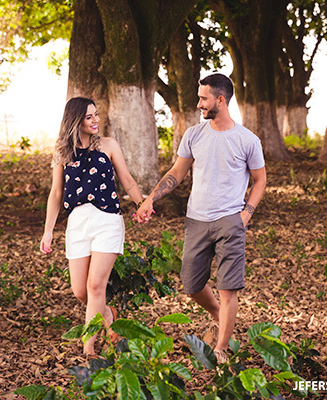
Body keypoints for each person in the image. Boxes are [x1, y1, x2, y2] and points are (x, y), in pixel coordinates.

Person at [134, 73, 267, 363]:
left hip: (230, 220)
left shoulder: (247, 140)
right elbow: (176, 174)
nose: (199, 104)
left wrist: (246, 214)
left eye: (203, 98)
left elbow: (260, 180)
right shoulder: (194, 135)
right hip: (197, 219)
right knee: (191, 284)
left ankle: (220, 349)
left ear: (220, 99)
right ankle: (218, 314)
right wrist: (150, 199)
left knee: (227, 288)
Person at [41, 97, 145, 356]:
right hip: (77, 222)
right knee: (80, 291)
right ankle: (108, 314)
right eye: (89, 117)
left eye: (96, 115)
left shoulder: (109, 146)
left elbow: (127, 180)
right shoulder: (62, 152)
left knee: (95, 286)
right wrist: (48, 231)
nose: (96, 120)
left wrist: (142, 204)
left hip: (107, 219)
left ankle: (89, 348)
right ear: (76, 120)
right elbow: (56, 194)